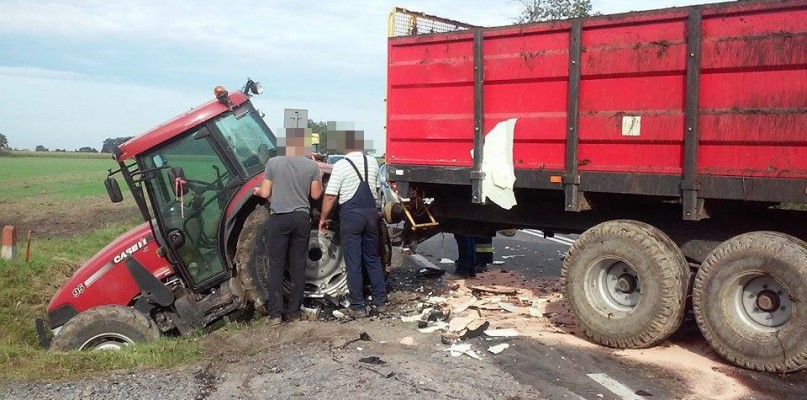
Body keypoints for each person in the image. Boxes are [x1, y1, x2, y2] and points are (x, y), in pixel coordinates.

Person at [253, 129, 323, 325]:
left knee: (276, 266)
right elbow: (316, 196)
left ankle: (276, 314)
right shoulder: (312, 165)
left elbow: (266, 191)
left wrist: (258, 192)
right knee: (298, 266)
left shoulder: (273, 163)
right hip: (301, 219)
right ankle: (293, 311)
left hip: (279, 219)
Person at [318, 133, 387, 318]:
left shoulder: (341, 165)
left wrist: (323, 218)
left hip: (352, 216)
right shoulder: (372, 162)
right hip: (371, 215)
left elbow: (331, 195)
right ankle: (380, 301)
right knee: (373, 258)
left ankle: (358, 306)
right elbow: (376, 189)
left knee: (353, 262)